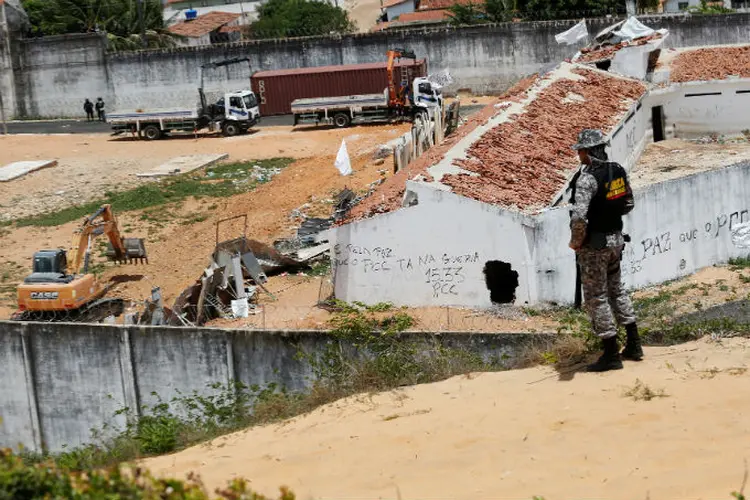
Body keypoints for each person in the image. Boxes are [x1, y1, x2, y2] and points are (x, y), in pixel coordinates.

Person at [568, 129, 643, 372]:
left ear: (589, 152)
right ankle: (634, 344)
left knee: (596, 297)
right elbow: (628, 203)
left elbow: (579, 217)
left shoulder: (587, 178)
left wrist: (576, 242)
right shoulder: (618, 170)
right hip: (616, 240)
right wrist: (609, 214)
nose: (578, 154)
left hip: (595, 247)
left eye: (580, 150)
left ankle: (610, 354)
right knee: (617, 290)